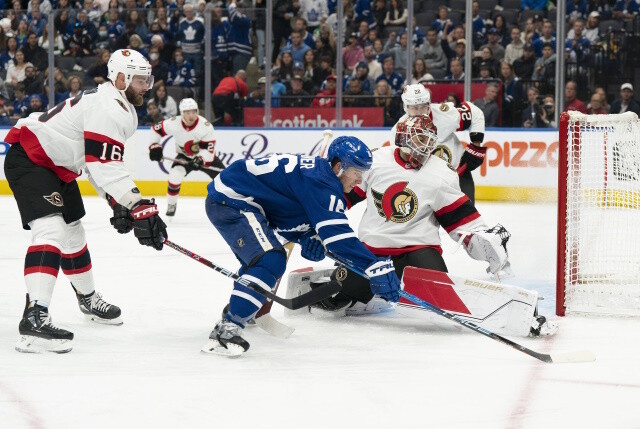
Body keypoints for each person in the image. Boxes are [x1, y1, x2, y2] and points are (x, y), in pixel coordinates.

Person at [291, 117, 554, 337]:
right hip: (372, 253)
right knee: (344, 293)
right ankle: (350, 290)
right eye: (418, 141)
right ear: (403, 139)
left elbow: (460, 218)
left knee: (439, 291)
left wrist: (482, 239)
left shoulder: (441, 173)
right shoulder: (376, 161)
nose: (423, 149)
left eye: (428, 143)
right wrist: (314, 222)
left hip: (417, 251)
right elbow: (344, 197)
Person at [3, 49, 167, 354]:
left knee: (74, 231)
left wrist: (115, 200)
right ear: (120, 78)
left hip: (58, 166)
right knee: (51, 231)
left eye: (148, 79)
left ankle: (88, 299)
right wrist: (136, 204)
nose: (146, 86)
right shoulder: (110, 107)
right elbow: (105, 166)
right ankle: (34, 318)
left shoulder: (119, 105)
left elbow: (94, 161)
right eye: (140, 80)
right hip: (32, 159)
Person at [202, 137, 401, 356]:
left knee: (259, 262)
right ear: (338, 166)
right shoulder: (323, 184)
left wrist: (305, 236)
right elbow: (338, 238)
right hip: (233, 199)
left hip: (236, 197)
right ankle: (226, 331)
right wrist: (372, 265)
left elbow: (282, 209)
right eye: (356, 172)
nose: (359, 180)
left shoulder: (318, 175)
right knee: (270, 260)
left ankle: (242, 307)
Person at [391, 84, 486, 203]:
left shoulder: (444, 114)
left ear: (428, 104)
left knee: (469, 219)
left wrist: (476, 145)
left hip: (458, 176)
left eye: (423, 107)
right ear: (406, 107)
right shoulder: (399, 131)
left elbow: (474, 112)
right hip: (427, 184)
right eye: (415, 108)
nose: (420, 112)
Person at [148, 98, 225, 217]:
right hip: (184, 157)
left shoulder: (205, 126)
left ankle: (228, 205)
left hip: (205, 158)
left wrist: (200, 159)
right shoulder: (173, 123)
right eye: (187, 112)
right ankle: (171, 204)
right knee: (174, 176)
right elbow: (155, 130)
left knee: (224, 180)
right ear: (182, 113)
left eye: (194, 112)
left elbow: (209, 151)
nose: (191, 116)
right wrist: (154, 146)